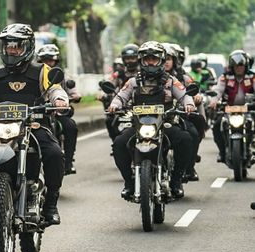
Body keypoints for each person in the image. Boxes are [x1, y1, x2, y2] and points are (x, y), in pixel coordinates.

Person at [0, 23, 68, 225]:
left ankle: (51, 203)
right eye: (8, 46)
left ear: (27, 47)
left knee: (54, 154)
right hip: (2, 128)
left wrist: (60, 101)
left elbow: (55, 90)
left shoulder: (42, 71)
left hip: (34, 126)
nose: (12, 50)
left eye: (16, 46)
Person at [108, 41, 195, 199]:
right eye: (147, 59)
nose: (150, 62)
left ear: (161, 60)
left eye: (153, 59)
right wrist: (114, 105)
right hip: (139, 125)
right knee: (119, 144)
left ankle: (176, 181)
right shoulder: (134, 82)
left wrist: (188, 105)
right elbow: (120, 96)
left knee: (186, 140)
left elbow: (184, 95)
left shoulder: (171, 81)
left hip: (165, 124)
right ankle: (128, 182)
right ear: (141, 60)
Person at [37, 44, 81, 175]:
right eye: (44, 60)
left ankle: (68, 161)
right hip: (38, 114)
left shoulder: (63, 76)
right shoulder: (36, 75)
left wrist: (71, 98)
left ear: (56, 61)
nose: (47, 63)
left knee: (70, 127)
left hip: (57, 113)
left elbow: (73, 92)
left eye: (50, 60)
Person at [162, 43, 203, 181]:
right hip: (153, 118)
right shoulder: (145, 77)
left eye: (169, 59)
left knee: (192, 134)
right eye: (163, 59)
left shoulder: (182, 77)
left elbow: (192, 90)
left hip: (178, 115)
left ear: (174, 61)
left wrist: (194, 98)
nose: (165, 62)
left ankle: (188, 166)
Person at [209, 50, 255, 162]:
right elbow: (218, 90)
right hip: (228, 109)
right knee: (217, 126)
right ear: (232, 66)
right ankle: (222, 151)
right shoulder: (225, 77)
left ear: (246, 66)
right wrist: (214, 100)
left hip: (249, 109)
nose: (239, 68)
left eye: (241, 65)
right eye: (236, 66)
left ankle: (252, 149)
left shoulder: (252, 77)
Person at [99, 43, 140, 141]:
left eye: (132, 58)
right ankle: (116, 143)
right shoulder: (119, 74)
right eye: (127, 58)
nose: (130, 61)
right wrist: (102, 93)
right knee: (110, 121)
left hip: (142, 106)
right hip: (124, 106)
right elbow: (110, 83)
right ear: (123, 59)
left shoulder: (143, 73)